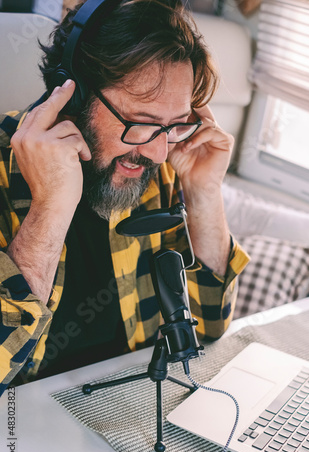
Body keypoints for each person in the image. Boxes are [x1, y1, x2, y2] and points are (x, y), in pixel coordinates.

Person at [0, 0, 249, 396]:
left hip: (128, 404)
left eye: (173, 126)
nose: (157, 152)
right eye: (143, 123)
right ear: (74, 96)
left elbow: (209, 327)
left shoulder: (160, 165)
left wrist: (204, 192)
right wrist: (48, 210)